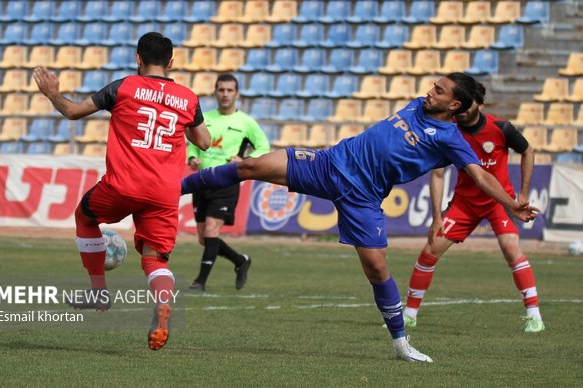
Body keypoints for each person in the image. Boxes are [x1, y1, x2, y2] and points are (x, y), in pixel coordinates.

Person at [181, 72, 538, 363]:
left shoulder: (451, 139)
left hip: (363, 197)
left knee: (377, 269)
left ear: (454, 104)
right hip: (329, 163)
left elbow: (479, 176)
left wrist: (511, 202)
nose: (430, 91)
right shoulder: (418, 105)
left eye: (439, 90)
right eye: (433, 86)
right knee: (249, 166)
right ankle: (173, 190)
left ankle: (400, 343)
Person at [34, 32, 211, 351]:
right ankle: (161, 307)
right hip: (164, 193)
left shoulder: (123, 87)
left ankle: (99, 291)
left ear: (138, 58)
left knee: (85, 217)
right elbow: (204, 141)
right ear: (171, 63)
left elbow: (73, 112)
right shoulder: (187, 98)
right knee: (155, 259)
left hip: (124, 184)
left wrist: (52, 94)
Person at [402, 81, 545, 333]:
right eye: (461, 107)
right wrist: (436, 217)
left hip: (499, 202)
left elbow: (528, 151)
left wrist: (522, 194)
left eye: (470, 105)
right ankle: (409, 315)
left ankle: (534, 315)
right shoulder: (449, 131)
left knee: (511, 249)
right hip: (464, 204)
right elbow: (437, 175)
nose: (464, 111)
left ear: (479, 104)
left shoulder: (501, 128)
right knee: (429, 252)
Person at [187, 74, 270, 292]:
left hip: (226, 182)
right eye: (221, 90)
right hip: (202, 180)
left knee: (212, 231)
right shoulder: (206, 118)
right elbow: (194, 142)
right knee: (204, 238)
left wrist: (245, 160)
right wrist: (192, 157)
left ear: (237, 93)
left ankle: (200, 282)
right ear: (215, 92)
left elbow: (264, 147)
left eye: (229, 90)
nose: (225, 94)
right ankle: (240, 260)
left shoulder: (246, 122)